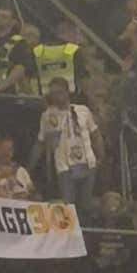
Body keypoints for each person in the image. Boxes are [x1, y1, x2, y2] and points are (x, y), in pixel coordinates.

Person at [31, 77, 103, 220]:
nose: (56, 96)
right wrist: (30, 166)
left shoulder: (83, 111)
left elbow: (95, 134)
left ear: (67, 92)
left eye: (59, 92)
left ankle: (87, 236)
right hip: (65, 167)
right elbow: (41, 143)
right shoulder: (47, 116)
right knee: (68, 207)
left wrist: (100, 156)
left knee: (86, 205)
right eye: (53, 93)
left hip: (87, 163)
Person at [23, 23, 81, 96]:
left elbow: (26, 78)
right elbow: (84, 78)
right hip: (70, 97)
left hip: (45, 98)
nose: (78, 38)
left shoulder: (37, 52)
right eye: (75, 33)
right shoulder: (74, 50)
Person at [0, 134, 34, 200]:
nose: (8, 153)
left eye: (10, 149)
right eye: (4, 150)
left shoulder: (21, 170)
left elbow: (31, 191)